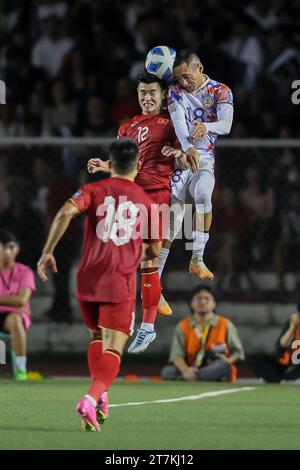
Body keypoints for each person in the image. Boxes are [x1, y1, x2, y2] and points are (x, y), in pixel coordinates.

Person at [37, 138, 161, 432]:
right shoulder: (147, 202)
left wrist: (47, 251)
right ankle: (91, 398)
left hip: (87, 278)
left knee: (97, 338)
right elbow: (154, 250)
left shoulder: (92, 190)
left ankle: (101, 394)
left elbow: (65, 212)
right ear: (138, 165)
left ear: (111, 162)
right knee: (115, 350)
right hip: (119, 281)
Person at [87, 71, 196, 354]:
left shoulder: (173, 123)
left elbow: (187, 157)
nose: (147, 98)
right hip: (129, 198)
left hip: (157, 197)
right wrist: (104, 165)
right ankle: (138, 308)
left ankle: (147, 327)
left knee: (148, 263)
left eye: (152, 93)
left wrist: (181, 156)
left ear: (162, 97)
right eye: (142, 93)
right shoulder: (127, 126)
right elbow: (125, 165)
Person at [158, 49, 234, 285]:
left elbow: (227, 125)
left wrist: (207, 127)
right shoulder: (175, 92)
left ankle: (197, 259)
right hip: (179, 157)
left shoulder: (220, 91)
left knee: (203, 195)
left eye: (186, 76)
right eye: (178, 78)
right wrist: (187, 147)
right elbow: (179, 123)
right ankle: (155, 278)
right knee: (173, 220)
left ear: (199, 68)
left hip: (204, 158)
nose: (182, 82)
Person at [161, 286, 244, 382]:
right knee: (168, 371)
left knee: (223, 366)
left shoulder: (225, 324)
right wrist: (186, 370)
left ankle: (191, 378)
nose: (202, 301)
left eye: (207, 298)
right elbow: (176, 355)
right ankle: (198, 377)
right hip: (191, 367)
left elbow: (238, 352)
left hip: (214, 366)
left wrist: (228, 360)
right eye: (198, 298)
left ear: (214, 304)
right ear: (191, 304)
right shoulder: (182, 325)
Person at [0, 230, 36, 380]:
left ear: (17, 249)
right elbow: (16, 300)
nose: (7, 251)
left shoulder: (25, 271)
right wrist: (11, 299)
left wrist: (15, 301)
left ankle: (21, 370)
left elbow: (21, 300)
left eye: (11, 247)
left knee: (14, 319)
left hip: (14, 317)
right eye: (3, 247)